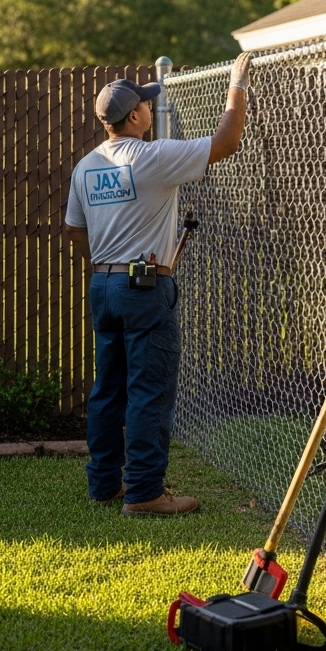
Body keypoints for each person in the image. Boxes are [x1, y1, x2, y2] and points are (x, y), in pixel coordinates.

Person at [64, 52, 251, 515]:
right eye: (146, 104)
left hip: (103, 287)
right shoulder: (151, 157)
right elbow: (227, 141)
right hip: (144, 289)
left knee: (109, 389)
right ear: (134, 117)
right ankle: (146, 492)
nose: (151, 108)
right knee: (150, 388)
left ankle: (104, 484)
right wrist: (237, 84)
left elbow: (73, 229)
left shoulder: (86, 166)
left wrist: (105, 264)